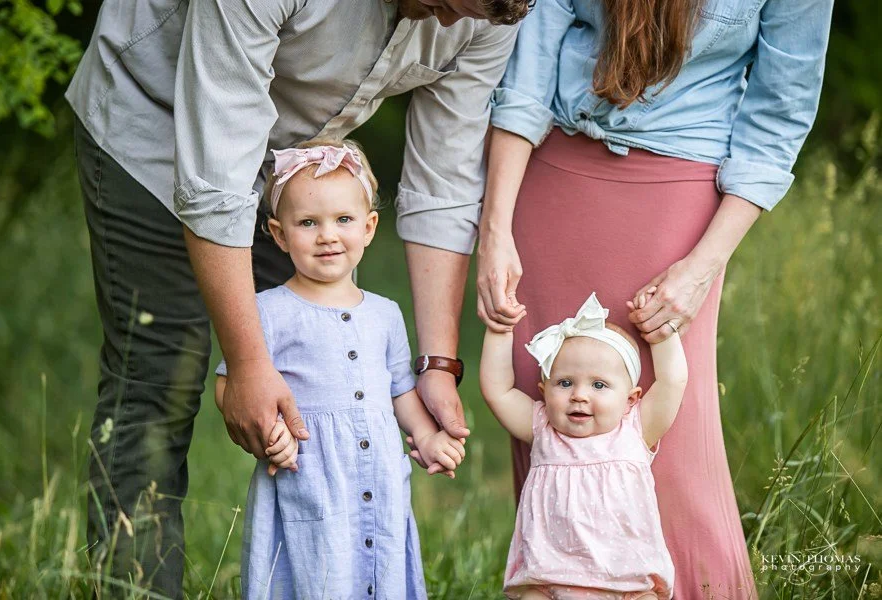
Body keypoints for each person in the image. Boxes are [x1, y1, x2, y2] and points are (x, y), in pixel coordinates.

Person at [66, 0, 529, 595]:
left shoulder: (491, 12)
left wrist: (436, 365)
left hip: (289, 175)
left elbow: (442, 179)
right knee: (160, 377)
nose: (444, 26)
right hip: (151, 122)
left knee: (315, 382)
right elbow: (216, 176)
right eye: (443, 5)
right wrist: (250, 364)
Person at [477, 0, 833, 597]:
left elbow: (781, 108)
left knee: (672, 446)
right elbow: (529, 65)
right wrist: (496, 227)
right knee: (551, 426)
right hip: (552, 175)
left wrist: (703, 266)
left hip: (681, 197)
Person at [211, 140, 465, 598]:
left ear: (368, 228)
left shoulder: (385, 313)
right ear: (279, 233)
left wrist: (426, 437)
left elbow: (401, 391)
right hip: (308, 472)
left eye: (343, 220)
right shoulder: (266, 311)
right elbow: (231, 384)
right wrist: (272, 434)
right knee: (313, 572)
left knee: (376, 566)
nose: (328, 235)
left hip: (378, 475)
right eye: (308, 223)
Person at [481, 291, 686, 600]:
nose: (579, 394)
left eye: (598, 385)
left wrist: (660, 332)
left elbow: (672, 381)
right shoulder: (543, 429)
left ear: (630, 399)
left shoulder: (634, 431)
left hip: (629, 585)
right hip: (547, 582)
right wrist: (500, 330)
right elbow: (498, 391)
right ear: (544, 392)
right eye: (564, 383)